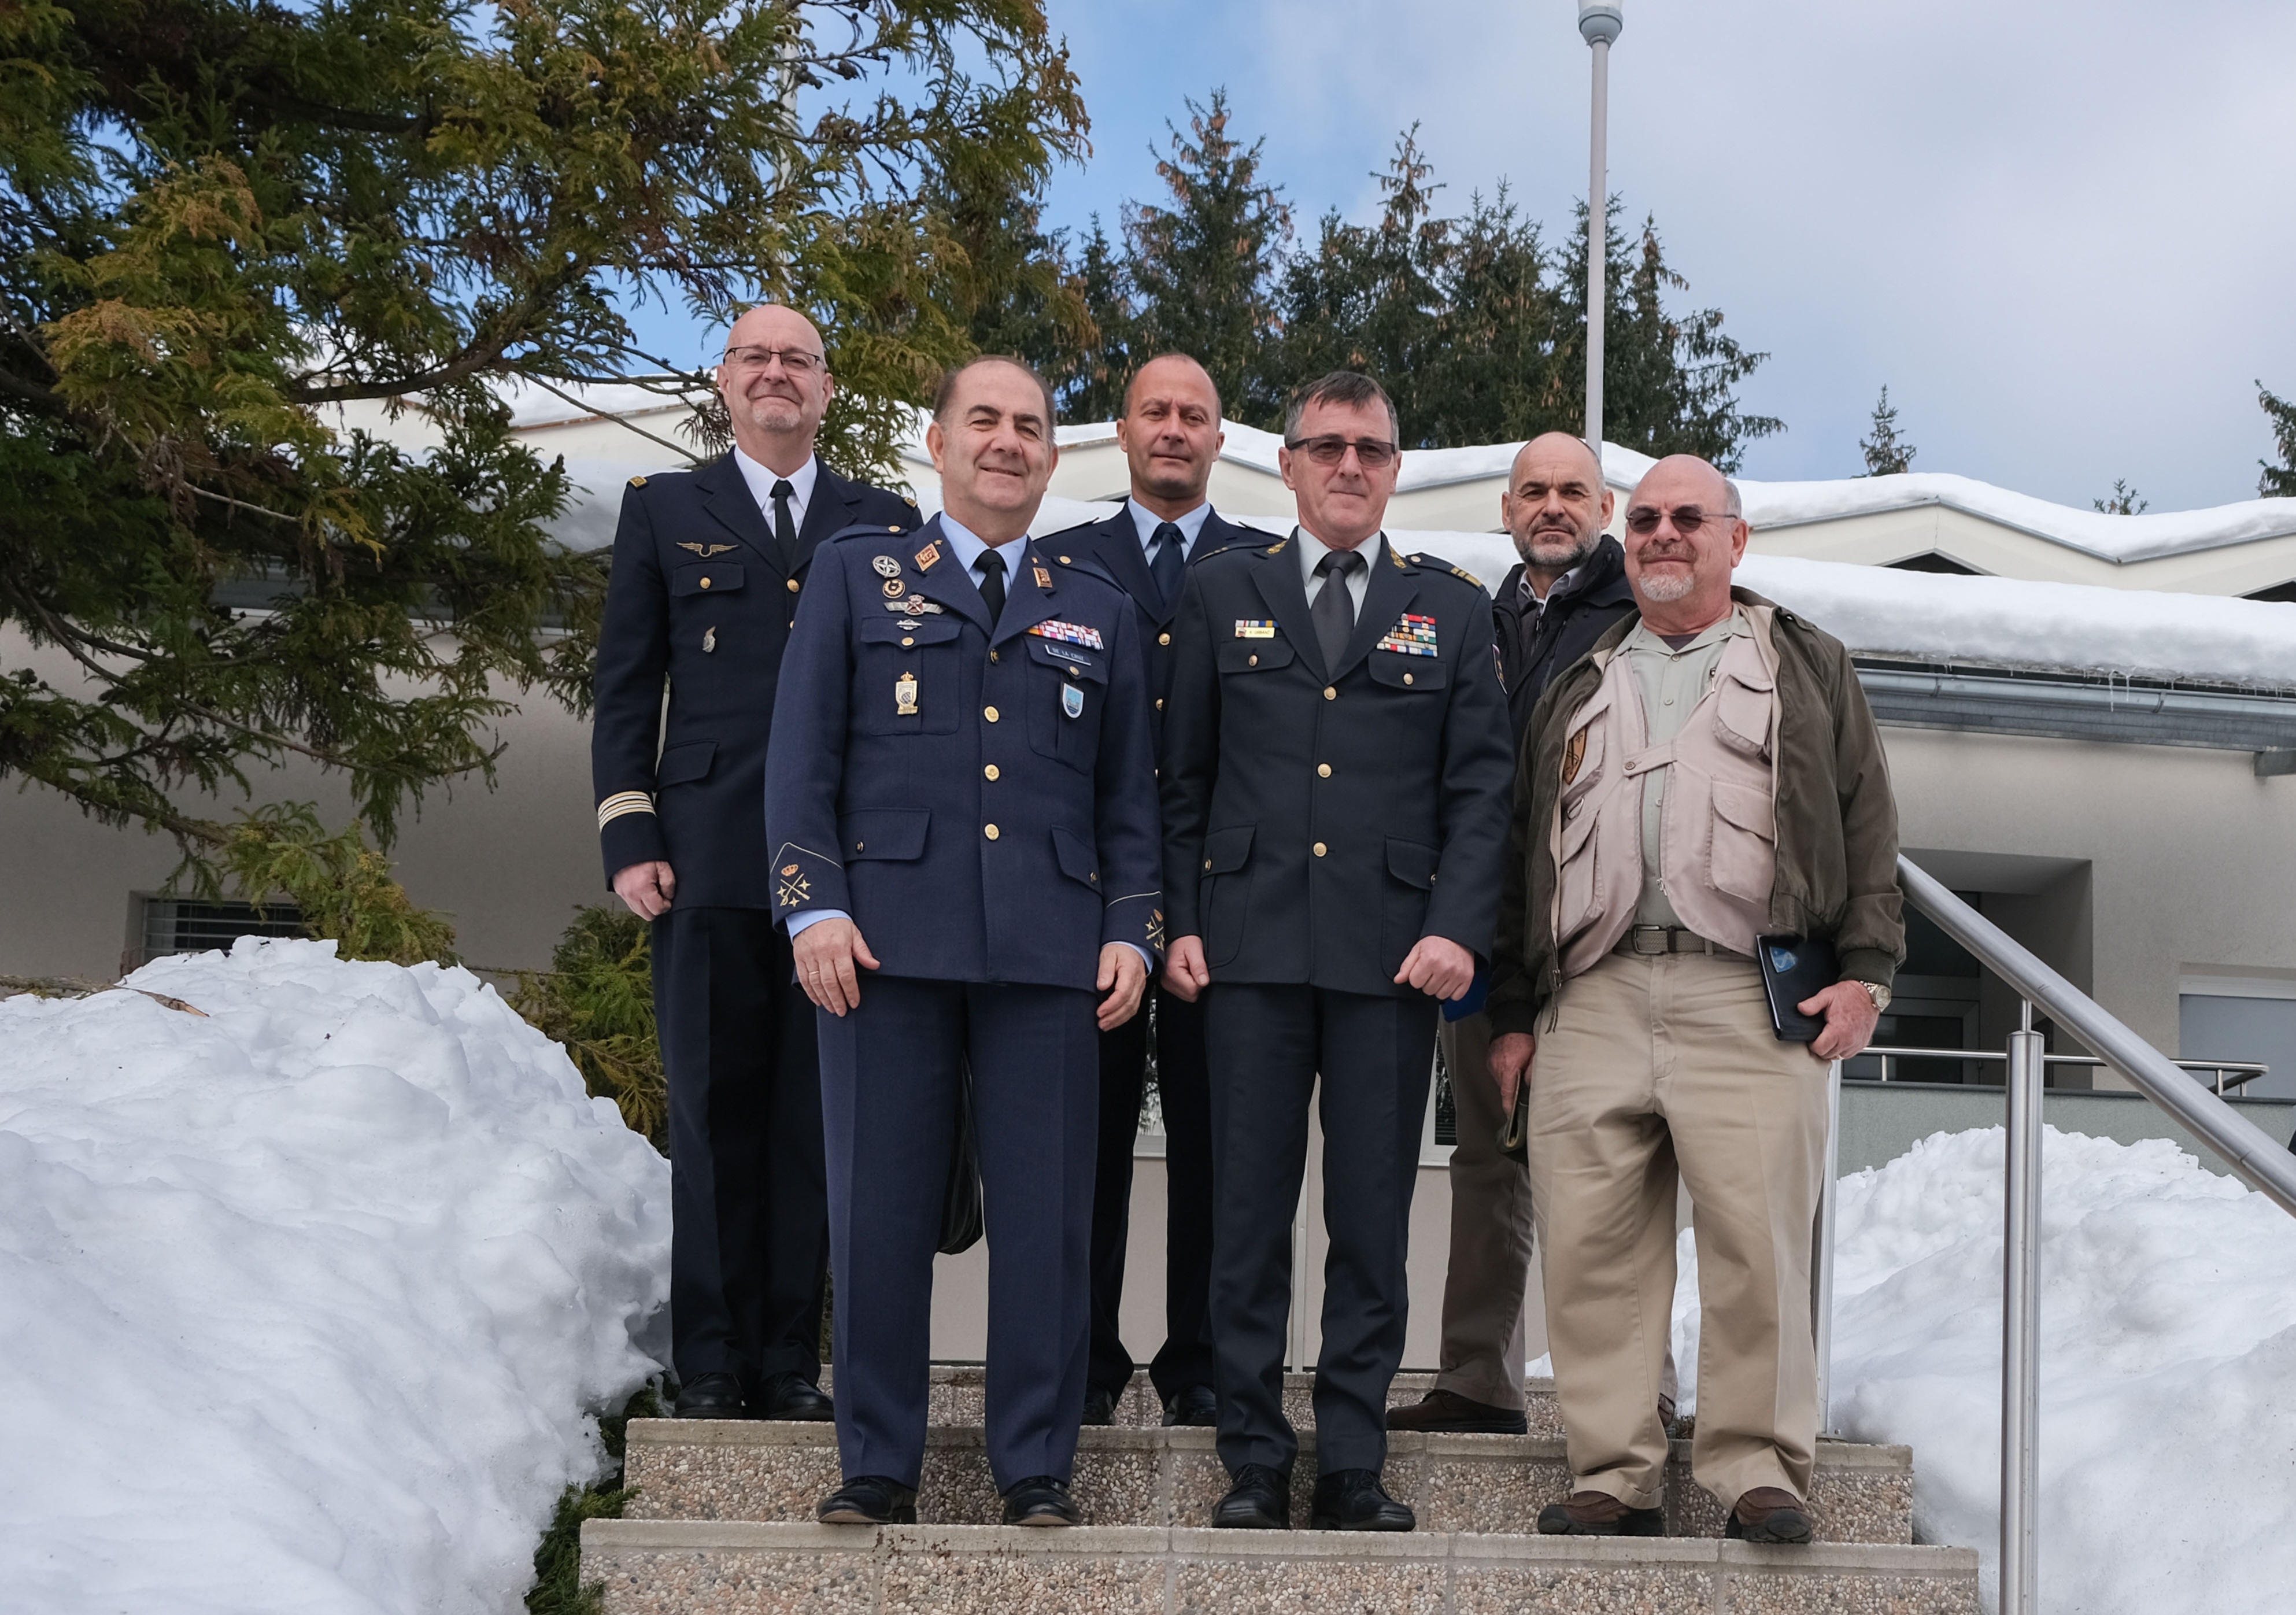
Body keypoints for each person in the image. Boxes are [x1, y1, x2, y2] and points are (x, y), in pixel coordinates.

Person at [764, 355, 1163, 1528]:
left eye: (1029, 425)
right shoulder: (858, 574)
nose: (1008, 441)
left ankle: (1035, 1461)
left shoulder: (1097, 603)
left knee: (1047, 1219)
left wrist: (1133, 929)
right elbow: (801, 758)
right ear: (937, 445)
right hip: (882, 946)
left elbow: (1128, 797)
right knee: (877, 1210)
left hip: (1051, 951)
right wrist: (812, 904)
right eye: (983, 420)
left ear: (1052, 456)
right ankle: (877, 1461)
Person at [1485, 454, 1905, 1544]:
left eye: (1687, 518)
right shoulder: (1578, 677)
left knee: (1757, 1240)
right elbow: (1523, 849)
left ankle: (1756, 1464)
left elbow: (1867, 823)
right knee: (1591, 1242)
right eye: (1645, 521)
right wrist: (1514, 1013)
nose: (1663, 535)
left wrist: (1866, 972)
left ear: (1736, 539)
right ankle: (1613, 1470)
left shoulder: (1805, 660)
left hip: (1748, 994)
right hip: (1593, 989)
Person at [1160, 371, 1515, 1532]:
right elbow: (1183, 780)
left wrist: (1456, 926)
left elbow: (1482, 793)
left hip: (1390, 959)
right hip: (1248, 952)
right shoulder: (1222, 590)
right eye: (1328, 446)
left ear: (1395, 469)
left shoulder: (1452, 608)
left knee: (1370, 1224)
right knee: (1247, 1220)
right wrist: (1181, 920)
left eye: (1371, 448)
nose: (1349, 466)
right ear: (1289, 464)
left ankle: (1354, 1458)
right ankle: (1254, 1457)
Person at [590, 303, 918, 1421]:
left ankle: (788, 1360)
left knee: (813, 1123)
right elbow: (626, 683)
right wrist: (630, 831)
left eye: (798, 359)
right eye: (755, 357)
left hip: (843, 873)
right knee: (713, 1115)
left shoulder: (884, 521)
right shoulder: (664, 507)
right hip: (708, 853)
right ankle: (713, 1362)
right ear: (724, 382)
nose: (777, 372)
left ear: (826, 389)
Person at [1388, 431, 1635, 1438]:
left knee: (1611, 1164)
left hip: (1596, 939)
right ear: (1506, 509)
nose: (1552, 507)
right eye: (1533, 491)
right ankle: (1477, 1378)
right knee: (1487, 1155)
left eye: (1573, 490)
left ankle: (1639, 1389)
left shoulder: (1641, 618)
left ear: (1605, 509)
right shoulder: (1472, 620)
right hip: (1486, 934)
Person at [1044, 354, 1259, 1431]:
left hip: (1224, 905)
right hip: (1089, 899)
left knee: (1217, 1145)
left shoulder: (1265, 567)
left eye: (1195, 415)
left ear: (1222, 438)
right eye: (1155, 412)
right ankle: (1082, 1356)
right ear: (1121, 433)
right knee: (1083, 1138)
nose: (1174, 428)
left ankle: (1202, 1361)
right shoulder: (1060, 565)